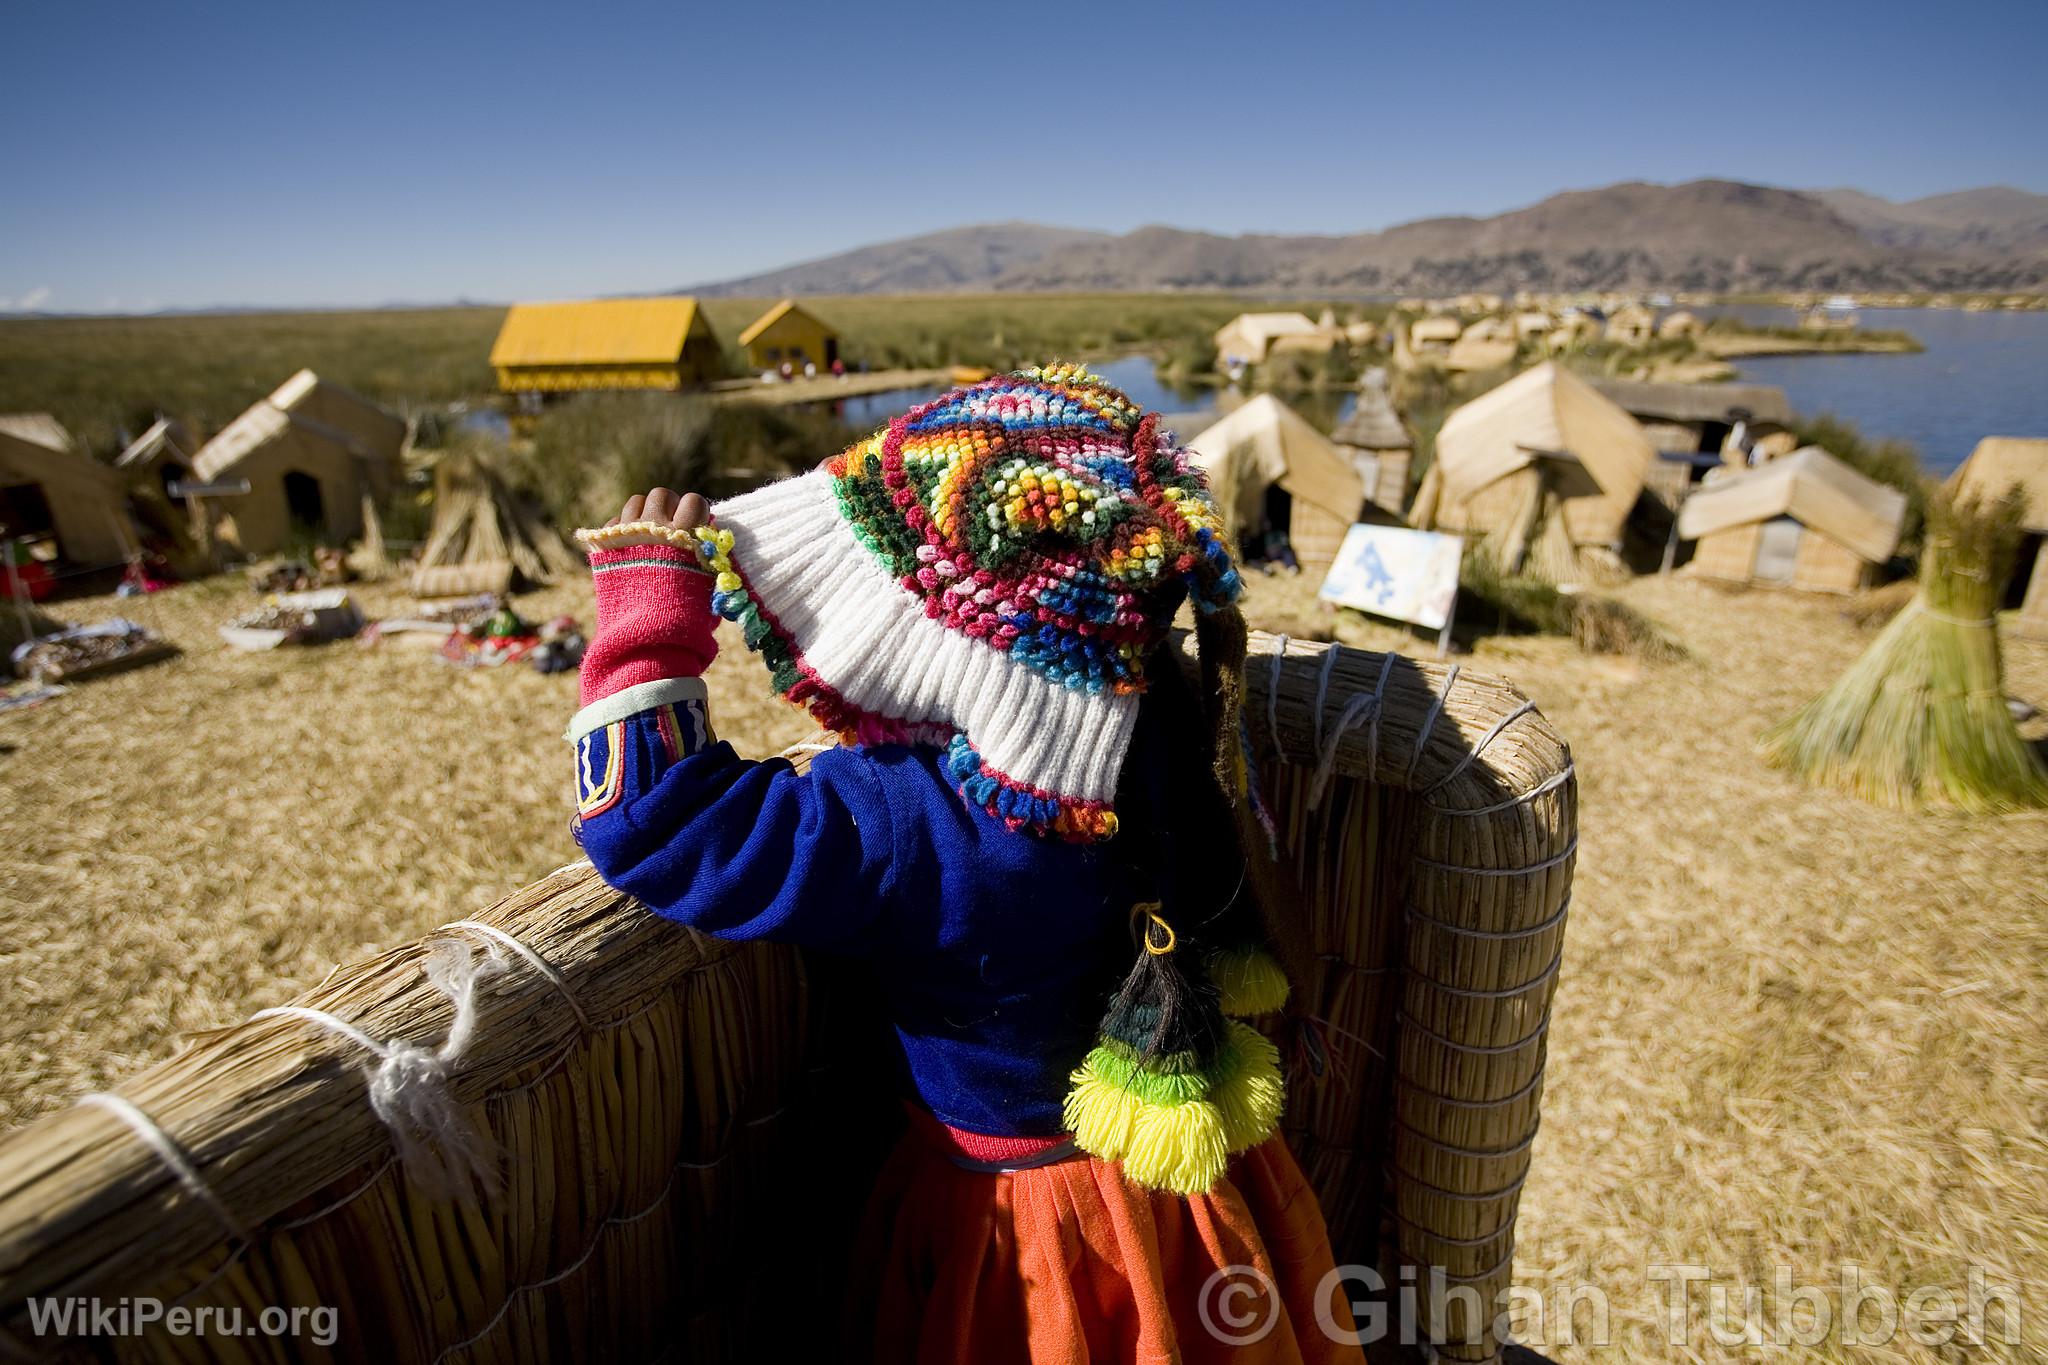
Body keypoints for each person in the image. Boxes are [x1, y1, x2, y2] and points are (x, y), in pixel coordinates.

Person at [568, 365, 1358, 1362]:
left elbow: (654, 822)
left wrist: (648, 615)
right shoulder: (1159, 722)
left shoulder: (906, 819)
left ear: (936, 633)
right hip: (1193, 1191)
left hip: (1029, 1241)